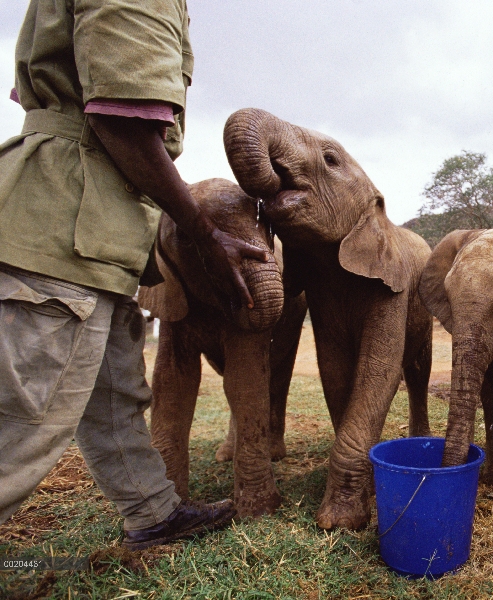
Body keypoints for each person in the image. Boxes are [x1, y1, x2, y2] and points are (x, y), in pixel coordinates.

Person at [0, 0, 266, 550]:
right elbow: (119, 118)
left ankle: (153, 513)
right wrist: (203, 233)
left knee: (113, 393)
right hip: (62, 227)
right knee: (26, 420)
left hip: (89, 227)